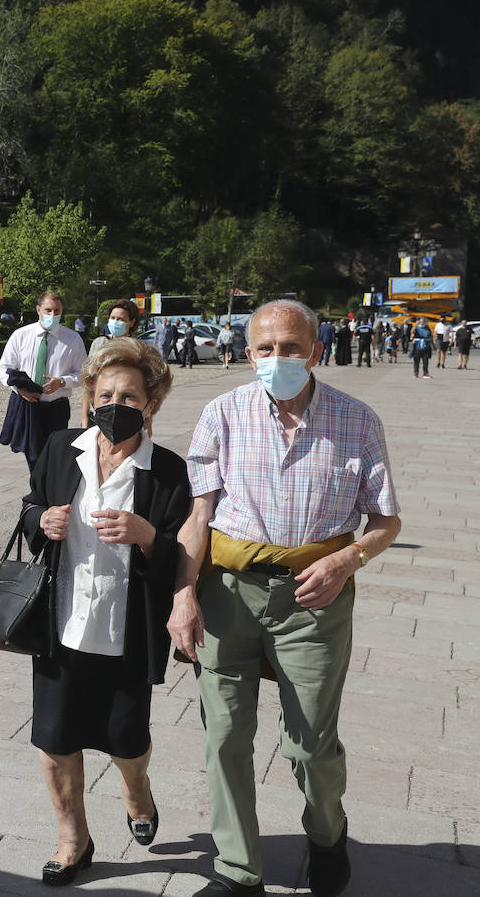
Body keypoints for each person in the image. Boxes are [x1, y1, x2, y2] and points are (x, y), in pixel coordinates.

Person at [168, 299, 401, 897]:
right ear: (247, 354)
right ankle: (238, 870)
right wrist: (182, 595)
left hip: (314, 597)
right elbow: (199, 517)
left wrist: (349, 558)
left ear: (316, 350)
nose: (278, 359)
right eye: (265, 349)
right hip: (228, 593)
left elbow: (385, 520)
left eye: (291, 347)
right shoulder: (222, 413)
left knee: (310, 743)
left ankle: (327, 834)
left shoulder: (356, 419)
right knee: (223, 734)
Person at [19, 338, 191, 887]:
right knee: (54, 737)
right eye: (106, 393)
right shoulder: (59, 447)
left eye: (130, 396)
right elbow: (30, 506)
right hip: (60, 626)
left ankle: (136, 790)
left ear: (151, 403)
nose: (116, 403)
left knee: (126, 738)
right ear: (90, 396)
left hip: (126, 633)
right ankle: (74, 839)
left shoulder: (167, 472)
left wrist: (147, 537)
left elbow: (183, 559)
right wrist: (39, 522)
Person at [0, 290, 88, 471]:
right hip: (27, 405)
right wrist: (19, 390)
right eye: (48, 310)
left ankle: (44, 494)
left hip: (56, 407)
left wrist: (62, 382)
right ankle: (38, 495)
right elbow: (3, 370)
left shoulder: (72, 339)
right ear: (38, 310)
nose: (52, 315)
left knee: (53, 456)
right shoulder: (21, 335)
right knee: (33, 457)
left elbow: (84, 374)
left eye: (57, 311)